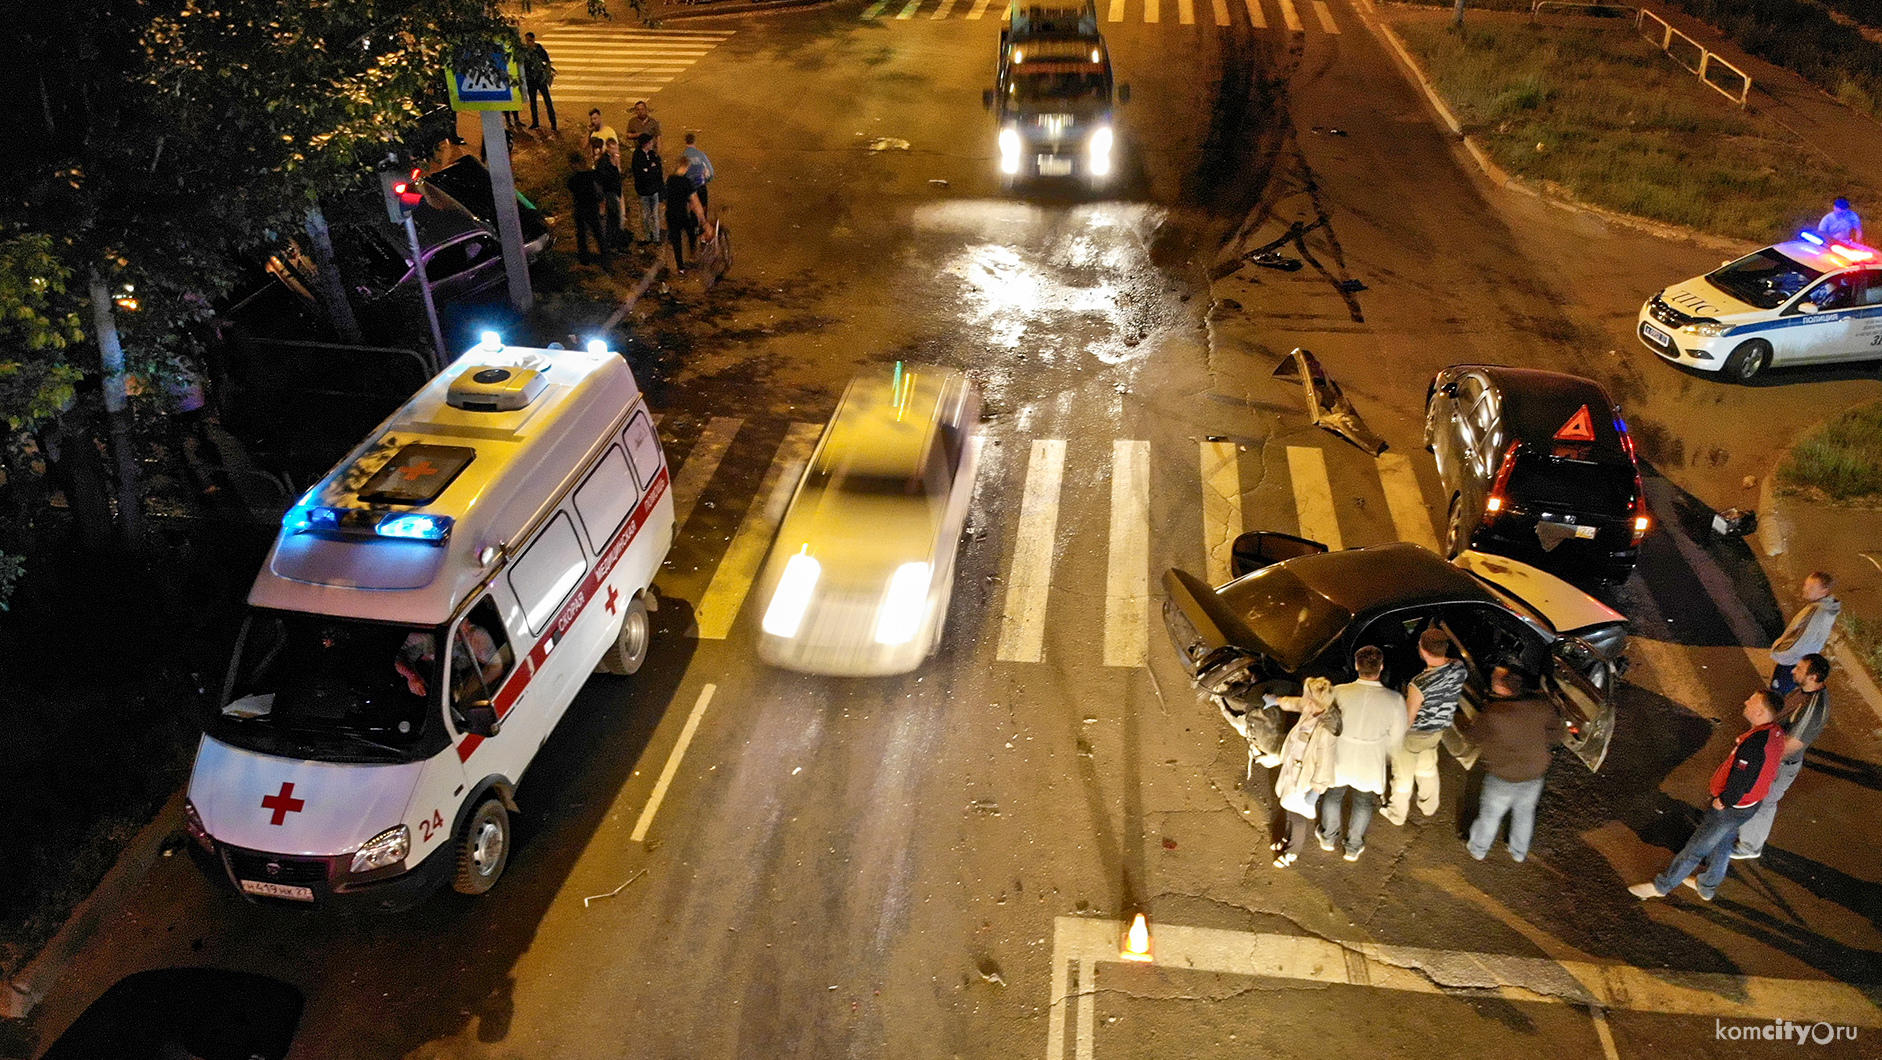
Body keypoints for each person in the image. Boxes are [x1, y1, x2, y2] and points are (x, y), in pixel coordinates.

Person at [1629, 689, 1785, 901]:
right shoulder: (1775, 733)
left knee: (1695, 848)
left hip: (1730, 809)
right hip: (1748, 806)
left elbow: (1742, 780)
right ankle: (1707, 886)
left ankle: (1662, 886)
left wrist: (1724, 800)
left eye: (1752, 701)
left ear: (1759, 712)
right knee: (1723, 844)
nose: (1746, 702)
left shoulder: (1753, 745)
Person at [1732, 653, 1831, 860]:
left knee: (1764, 802)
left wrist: (1760, 756)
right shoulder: (1803, 690)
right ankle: (1742, 832)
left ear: (1813, 677)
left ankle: (1750, 846)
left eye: (1800, 669)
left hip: (1779, 764)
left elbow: (1791, 746)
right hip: (1772, 755)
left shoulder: (1813, 709)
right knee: (1755, 796)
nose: (1793, 670)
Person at [1317, 646, 1407, 862]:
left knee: (1333, 795)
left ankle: (1328, 838)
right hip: (1371, 758)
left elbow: (1325, 722)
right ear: (1381, 667)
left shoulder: (1339, 691)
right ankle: (1353, 847)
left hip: (1340, 752)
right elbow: (1397, 738)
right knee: (1364, 802)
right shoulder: (1394, 700)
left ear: (1356, 665)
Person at [1464, 667, 1560, 863]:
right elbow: (1556, 735)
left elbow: (1472, 737)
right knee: (1525, 814)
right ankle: (1518, 852)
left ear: (1502, 687)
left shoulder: (1493, 713)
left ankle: (1479, 849)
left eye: (1495, 678)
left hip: (1502, 776)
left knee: (1490, 815)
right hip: (1534, 774)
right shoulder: (1542, 706)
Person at [1384, 628, 1466, 826]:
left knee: (1402, 777)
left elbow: (1409, 718)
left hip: (1414, 735)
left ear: (1423, 651)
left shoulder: (1419, 684)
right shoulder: (1458, 667)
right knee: (1427, 768)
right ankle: (1429, 805)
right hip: (1437, 730)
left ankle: (1396, 813)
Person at [1269, 677, 1339, 868]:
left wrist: (1316, 790)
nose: (1306, 700)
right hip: (1293, 769)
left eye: (1310, 697)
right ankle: (1286, 836)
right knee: (1288, 807)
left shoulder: (1326, 730)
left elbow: (1325, 764)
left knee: (1298, 815)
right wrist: (1277, 701)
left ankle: (1292, 851)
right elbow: (1296, 703)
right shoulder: (1312, 708)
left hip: (1305, 779)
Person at [1770, 571, 1839, 695]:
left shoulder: (1816, 613)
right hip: (1803, 661)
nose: (1805, 589)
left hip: (1793, 661)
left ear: (1824, 591)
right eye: (1806, 585)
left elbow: (1800, 641)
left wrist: (1779, 653)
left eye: (1811, 587)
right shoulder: (1827, 608)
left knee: (1778, 695)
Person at [565, 149, 609, 267]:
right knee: (597, 232)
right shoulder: (592, 175)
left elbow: (572, 188)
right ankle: (604, 255)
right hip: (592, 207)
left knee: (582, 234)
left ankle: (584, 258)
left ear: (574, 164)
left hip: (581, 208)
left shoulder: (573, 179)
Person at [664, 160, 709, 275]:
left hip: (670, 215)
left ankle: (681, 268)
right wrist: (703, 220)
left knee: (676, 241)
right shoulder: (686, 182)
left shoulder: (670, 179)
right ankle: (693, 253)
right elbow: (695, 201)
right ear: (686, 167)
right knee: (691, 232)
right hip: (682, 215)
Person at [631, 133, 665, 245]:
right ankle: (647, 236)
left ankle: (656, 238)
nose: (652, 144)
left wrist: (648, 170)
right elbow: (639, 174)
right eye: (650, 142)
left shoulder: (653, 155)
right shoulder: (637, 156)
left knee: (655, 215)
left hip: (653, 190)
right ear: (645, 144)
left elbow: (658, 171)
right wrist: (651, 169)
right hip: (644, 191)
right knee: (645, 215)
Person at [522, 32, 557, 132]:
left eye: (530, 40)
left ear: (533, 40)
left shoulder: (540, 50)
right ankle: (535, 122)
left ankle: (553, 123)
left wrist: (546, 75)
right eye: (527, 40)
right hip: (531, 80)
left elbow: (547, 63)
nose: (528, 43)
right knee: (533, 102)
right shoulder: (525, 51)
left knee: (547, 101)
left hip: (540, 79)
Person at [595, 138, 625, 249]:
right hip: (609, 193)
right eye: (613, 148)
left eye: (616, 147)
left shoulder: (612, 159)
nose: (616, 150)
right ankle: (613, 243)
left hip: (615, 192)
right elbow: (605, 179)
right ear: (608, 148)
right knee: (614, 218)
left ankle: (613, 242)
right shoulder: (604, 161)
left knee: (615, 218)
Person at [682, 130, 715, 213]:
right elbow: (711, 173)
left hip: (689, 188)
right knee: (703, 212)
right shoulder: (701, 155)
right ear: (694, 141)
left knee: (692, 211)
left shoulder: (683, 156)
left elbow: (679, 174)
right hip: (700, 186)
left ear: (685, 142)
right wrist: (704, 181)